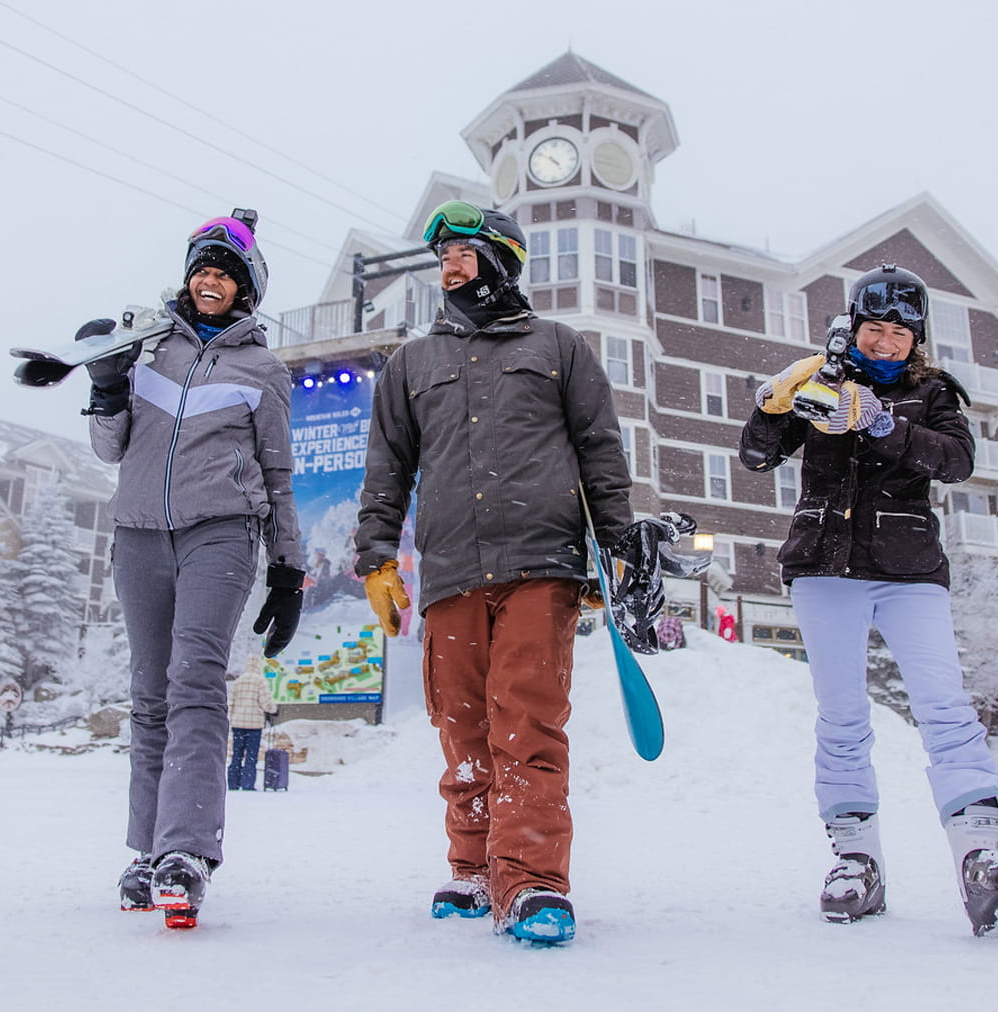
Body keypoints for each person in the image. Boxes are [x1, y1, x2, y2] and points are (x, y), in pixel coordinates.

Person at [354, 201, 644, 945]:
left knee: (529, 722)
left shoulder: (559, 347)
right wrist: (376, 556)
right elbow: (386, 470)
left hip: (541, 562)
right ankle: (475, 866)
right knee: (462, 725)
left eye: (461, 251)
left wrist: (615, 545)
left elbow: (600, 452)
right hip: (451, 568)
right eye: (441, 255)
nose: (448, 265)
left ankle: (534, 880)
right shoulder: (411, 365)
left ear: (502, 259)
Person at [738, 264, 998, 937]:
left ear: (916, 339)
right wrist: (770, 404)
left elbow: (957, 461)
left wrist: (881, 426)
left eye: (899, 333)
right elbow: (758, 456)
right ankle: (854, 861)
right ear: (855, 326)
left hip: (909, 572)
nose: (885, 341)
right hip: (823, 568)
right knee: (842, 715)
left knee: (945, 707)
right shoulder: (822, 381)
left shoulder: (932, 394)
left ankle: (983, 854)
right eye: (875, 328)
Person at [85, 212, 304, 928]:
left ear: (246, 291)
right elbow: (108, 449)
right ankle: (147, 852)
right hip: (139, 533)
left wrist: (288, 568)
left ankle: (186, 852)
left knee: (196, 683)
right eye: (201, 268)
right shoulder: (145, 347)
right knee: (149, 695)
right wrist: (108, 386)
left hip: (222, 534)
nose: (210, 279)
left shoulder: (262, 371)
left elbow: (278, 473)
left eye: (226, 273)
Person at [227, 658, 280, 790]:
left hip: (238, 724)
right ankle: (247, 783)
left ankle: (233, 783)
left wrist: (232, 718)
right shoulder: (260, 681)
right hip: (254, 725)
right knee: (251, 756)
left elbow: (231, 703)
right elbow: (266, 703)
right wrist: (274, 710)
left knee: (236, 754)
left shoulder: (238, 682)